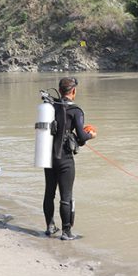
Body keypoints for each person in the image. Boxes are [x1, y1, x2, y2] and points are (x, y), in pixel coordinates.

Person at [43, 77, 96, 241]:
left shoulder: (51, 107)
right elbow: (81, 136)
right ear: (74, 91)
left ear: (59, 91)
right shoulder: (76, 110)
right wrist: (91, 135)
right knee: (66, 195)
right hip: (65, 158)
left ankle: (50, 226)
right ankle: (66, 232)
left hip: (48, 156)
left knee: (49, 192)